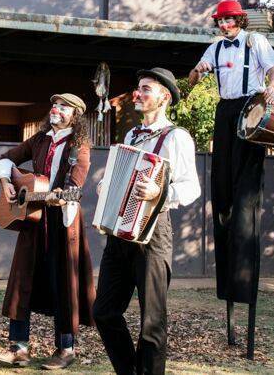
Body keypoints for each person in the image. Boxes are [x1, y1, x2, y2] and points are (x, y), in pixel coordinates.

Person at [92, 68, 200, 375]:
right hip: (120, 233)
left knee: (152, 322)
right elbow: (124, 177)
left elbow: (191, 188)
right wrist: (108, 185)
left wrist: (158, 192)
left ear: (164, 97)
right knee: (104, 312)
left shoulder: (176, 137)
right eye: (138, 88)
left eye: (145, 89)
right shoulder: (131, 134)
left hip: (154, 235)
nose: (137, 94)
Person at [188, 0, 274, 348]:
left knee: (245, 198)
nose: (224, 26)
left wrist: (272, 87)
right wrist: (194, 76)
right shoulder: (214, 47)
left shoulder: (255, 42)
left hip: (250, 104)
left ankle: (245, 266)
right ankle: (227, 281)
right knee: (222, 190)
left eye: (229, 21)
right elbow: (197, 73)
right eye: (220, 21)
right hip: (226, 110)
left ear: (238, 20)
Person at [0, 94, 95, 370]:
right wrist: (6, 183)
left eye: (63, 106)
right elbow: (6, 159)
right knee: (21, 279)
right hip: (33, 220)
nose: (56, 109)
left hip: (63, 222)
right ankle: (19, 348)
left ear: (75, 115)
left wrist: (62, 194)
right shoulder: (39, 140)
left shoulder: (78, 145)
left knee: (64, 282)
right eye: (54, 105)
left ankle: (66, 348)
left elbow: (75, 181)